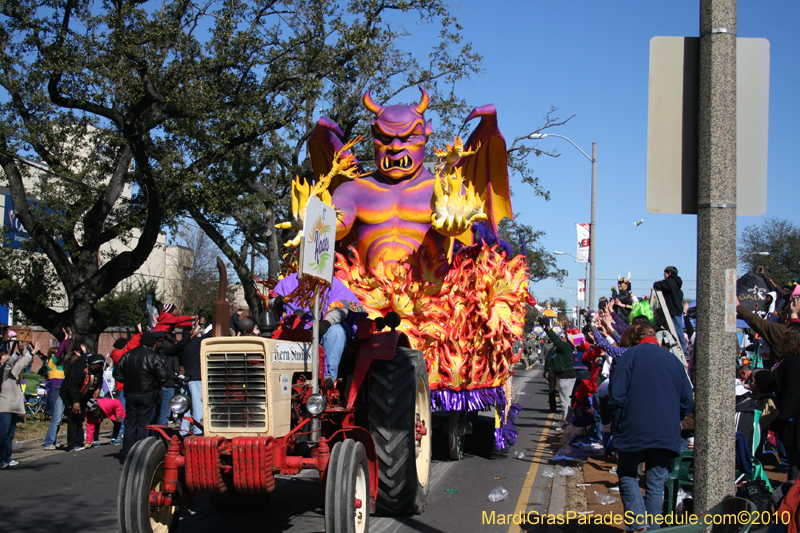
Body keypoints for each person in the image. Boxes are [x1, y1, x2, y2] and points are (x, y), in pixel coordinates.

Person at [608, 322, 694, 532]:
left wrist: (618, 425)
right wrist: (673, 418)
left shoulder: (629, 356)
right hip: (666, 432)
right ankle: (652, 529)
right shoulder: (673, 360)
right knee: (656, 482)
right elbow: (687, 400)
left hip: (634, 427)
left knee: (628, 473)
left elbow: (616, 397)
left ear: (635, 339)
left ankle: (638, 525)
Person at [269, 273, 366, 388]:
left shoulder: (332, 282)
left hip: (321, 329)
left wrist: (326, 323)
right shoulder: (289, 281)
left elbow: (342, 308)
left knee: (337, 331)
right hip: (292, 330)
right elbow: (270, 303)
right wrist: (275, 302)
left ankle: (328, 377)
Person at [113, 331, 166, 461]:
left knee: (131, 422)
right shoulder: (153, 356)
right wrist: (153, 381)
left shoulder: (128, 355)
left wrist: (127, 380)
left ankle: (127, 453)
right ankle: (140, 453)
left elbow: (117, 373)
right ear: (152, 344)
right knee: (143, 423)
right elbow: (163, 376)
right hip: (147, 392)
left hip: (130, 392)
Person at [60, 346, 105, 452]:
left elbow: (99, 380)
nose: (97, 368)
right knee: (73, 417)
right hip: (70, 394)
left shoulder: (99, 370)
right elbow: (71, 386)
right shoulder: (78, 369)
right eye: (95, 366)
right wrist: (75, 401)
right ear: (90, 364)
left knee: (80, 417)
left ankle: (79, 441)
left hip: (84, 394)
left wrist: (98, 388)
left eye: (99, 366)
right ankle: (72, 443)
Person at [0, 345, 34, 468]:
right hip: (4, 408)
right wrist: (14, 355)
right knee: (3, 434)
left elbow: (22, 363)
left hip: (13, 407)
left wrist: (25, 352)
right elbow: (8, 366)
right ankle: (1, 459)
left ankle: (8, 458)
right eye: (4, 355)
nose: (6, 356)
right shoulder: (2, 373)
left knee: (10, 434)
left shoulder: (12, 372)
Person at [540, 316, 576, 430]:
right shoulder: (562, 347)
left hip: (566, 376)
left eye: (565, 337)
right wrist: (566, 325)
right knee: (564, 400)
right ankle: (565, 420)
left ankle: (566, 422)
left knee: (566, 401)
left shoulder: (566, 346)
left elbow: (555, 339)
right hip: (561, 376)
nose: (563, 338)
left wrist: (547, 327)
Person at [42, 332, 72, 450]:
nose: (57, 355)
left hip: (62, 391)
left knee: (58, 419)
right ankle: (49, 442)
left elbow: (65, 351)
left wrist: (69, 339)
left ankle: (52, 441)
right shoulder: (50, 364)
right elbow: (60, 352)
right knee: (55, 419)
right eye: (53, 354)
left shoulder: (60, 366)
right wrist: (64, 338)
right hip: (56, 392)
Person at [653, 266, 688, 357]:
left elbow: (658, 284)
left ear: (669, 273)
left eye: (664, 273)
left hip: (672, 310)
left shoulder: (670, 281)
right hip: (677, 309)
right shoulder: (677, 283)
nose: (664, 275)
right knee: (677, 330)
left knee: (678, 330)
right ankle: (683, 350)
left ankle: (684, 351)